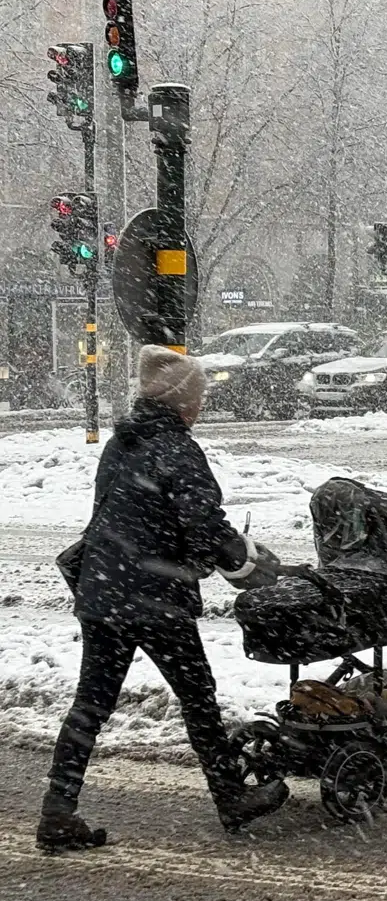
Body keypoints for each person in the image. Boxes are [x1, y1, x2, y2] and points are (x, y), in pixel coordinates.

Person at [38, 346, 288, 853]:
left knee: (90, 705)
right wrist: (247, 563)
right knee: (198, 697)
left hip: (104, 591)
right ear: (181, 402)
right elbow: (203, 525)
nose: (200, 407)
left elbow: (123, 516)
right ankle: (229, 797)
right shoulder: (177, 449)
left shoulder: (122, 444)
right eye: (197, 398)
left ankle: (57, 811)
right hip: (153, 597)